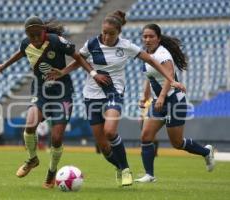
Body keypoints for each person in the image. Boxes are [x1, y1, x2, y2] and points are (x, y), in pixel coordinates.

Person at [46, 10, 186, 187]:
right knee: (104, 146)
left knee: (110, 131)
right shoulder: (92, 44)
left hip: (114, 92)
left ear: (118, 33)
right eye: (104, 32)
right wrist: (63, 72)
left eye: (111, 34)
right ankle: (119, 167)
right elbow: (79, 60)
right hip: (91, 95)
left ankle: (126, 169)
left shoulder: (126, 46)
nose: (106, 36)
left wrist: (171, 80)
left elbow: (151, 61)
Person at [0, 16, 105, 189]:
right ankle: (32, 159)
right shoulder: (26, 43)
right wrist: (4, 65)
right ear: (27, 35)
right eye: (32, 36)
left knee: (57, 137)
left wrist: (93, 74)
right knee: (30, 124)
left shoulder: (57, 41)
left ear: (44, 31)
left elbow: (79, 57)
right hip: (41, 91)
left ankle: (52, 172)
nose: (36, 39)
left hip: (63, 93)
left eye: (38, 35)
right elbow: (21, 52)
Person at [134, 23, 215, 183]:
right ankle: (149, 175)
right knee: (145, 136)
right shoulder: (146, 54)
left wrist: (163, 97)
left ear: (158, 38)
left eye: (151, 36)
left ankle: (205, 152)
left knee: (177, 143)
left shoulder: (163, 54)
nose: (147, 39)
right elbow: (149, 78)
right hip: (159, 102)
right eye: (145, 36)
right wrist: (145, 97)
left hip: (173, 101)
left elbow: (169, 75)